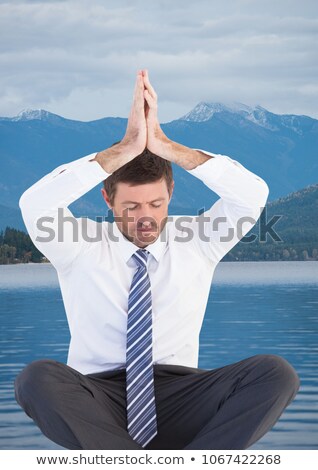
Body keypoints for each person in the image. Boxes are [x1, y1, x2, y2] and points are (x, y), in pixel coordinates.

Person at [14, 69, 300, 450]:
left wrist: (167, 147)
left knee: (275, 373)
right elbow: (34, 204)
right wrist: (124, 149)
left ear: (171, 193)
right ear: (107, 200)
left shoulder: (198, 239)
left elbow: (251, 195)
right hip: (100, 398)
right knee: (36, 379)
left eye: (156, 203)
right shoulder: (79, 243)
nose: (145, 217)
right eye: (131, 206)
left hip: (182, 394)